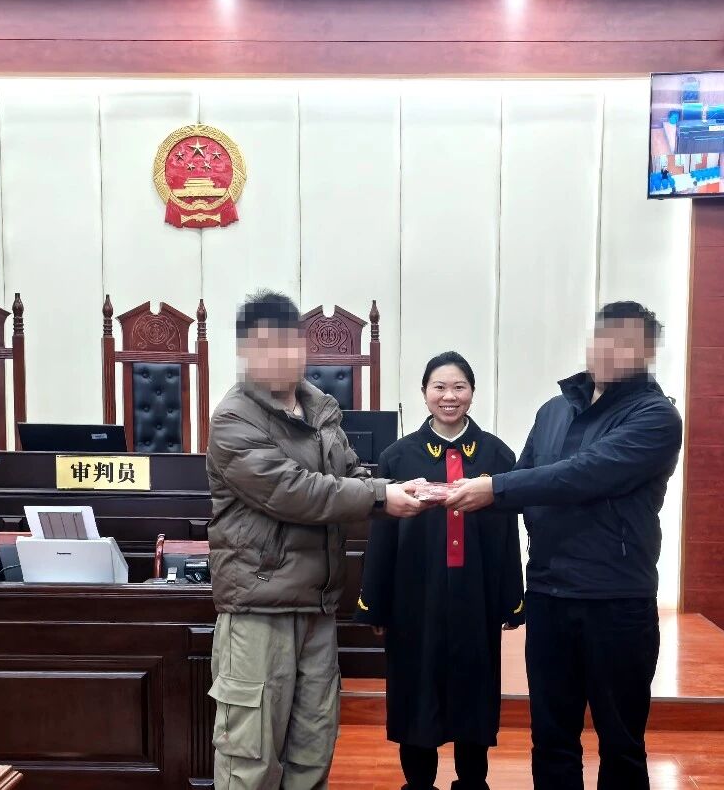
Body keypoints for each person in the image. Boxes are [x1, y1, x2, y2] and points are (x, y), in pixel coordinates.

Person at [444, 301, 682, 790]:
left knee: (621, 743)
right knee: (551, 738)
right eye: (605, 337)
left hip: (616, 600)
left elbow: (580, 475)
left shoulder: (656, 417)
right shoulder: (553, 411)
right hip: (550, 595)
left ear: (646, 354)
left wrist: (492, 488)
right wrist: (440, 495)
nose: (611, 350)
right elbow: (525, 480)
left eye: (628, 343)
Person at [206, 290, 427, 790]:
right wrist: (380, 496)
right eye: (265, 346)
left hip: (318, 608)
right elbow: (294, 492)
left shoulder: (320, 409)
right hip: (259, 610)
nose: (280, 356)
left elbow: (350, 475)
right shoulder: (233, 418)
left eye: (289, 343)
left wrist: (403, 489)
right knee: (250, 760)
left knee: (313, 750)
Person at [355, 352, 525, 790]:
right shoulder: (397, 456)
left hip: (476, 598)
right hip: (415, 598)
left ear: (472, 392)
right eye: (440, 387)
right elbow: (382, 535)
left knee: (475, 691)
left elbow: (508, 534)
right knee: (416, 692)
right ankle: (418, 783)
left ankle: (472, 781)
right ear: (424, 393)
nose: (449, 396)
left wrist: (511, 599)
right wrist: (376, 603)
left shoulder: (497, 455)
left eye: (459, 387)